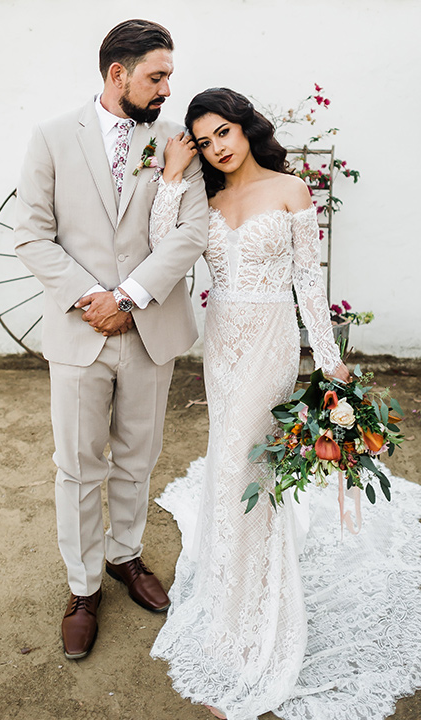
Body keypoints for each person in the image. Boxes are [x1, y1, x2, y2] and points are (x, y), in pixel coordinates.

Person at [148, 88, 421, 720]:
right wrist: (169, 177)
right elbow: (165, 253)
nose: (217, 147)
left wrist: (328, 360)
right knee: (230, 460)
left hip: (271, 342)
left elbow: (306, 283)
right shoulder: (203, 198)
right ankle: (231, 592)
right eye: (204, 139)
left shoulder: (291, 190)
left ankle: (251, 629)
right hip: (223, 344)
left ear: (245, 128)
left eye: (224, 132)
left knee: (247, 462)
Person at [14, 19, 208, 661]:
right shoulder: (49, 138)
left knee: (138, 455)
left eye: (169, 76)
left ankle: (126, 556)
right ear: (117, 73)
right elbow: (32, 234)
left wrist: (129, 297)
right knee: (76, 464)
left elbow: (190, 232)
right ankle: (82, 586)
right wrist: (90, 298)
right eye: (157, 76)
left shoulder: (178, 141)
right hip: (78, 329)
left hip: (148, 326)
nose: (167, 88)